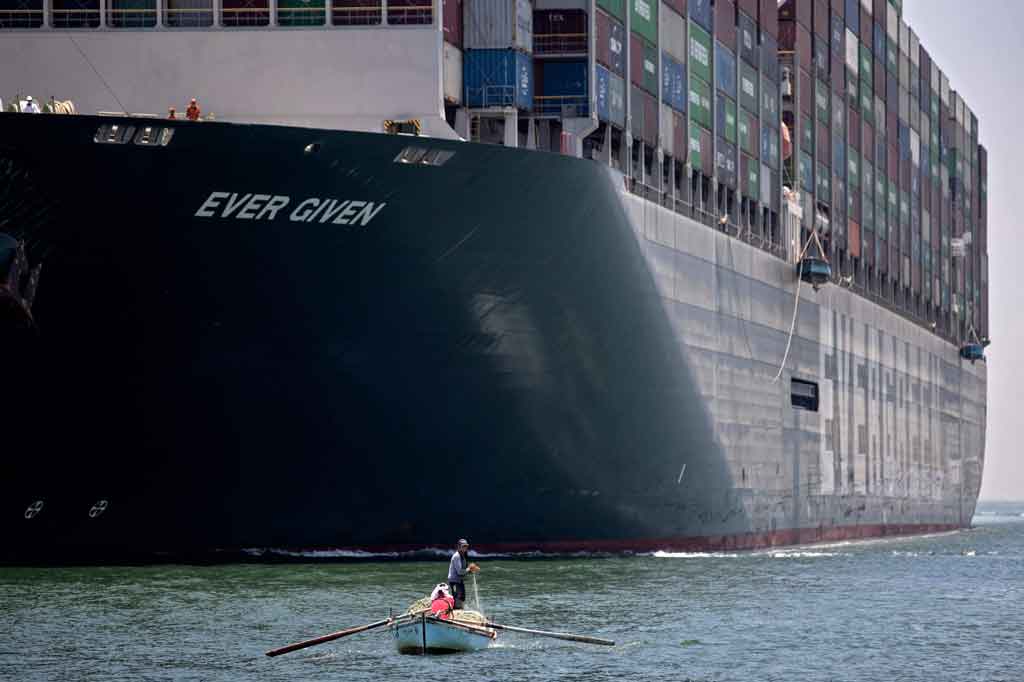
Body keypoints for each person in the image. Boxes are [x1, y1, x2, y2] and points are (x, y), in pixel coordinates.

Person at [447, 538, 479, 609]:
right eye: (463, 546)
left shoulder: (463, 555)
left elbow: (465, 569)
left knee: (462, 597)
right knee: (457, 598)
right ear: (458, 547)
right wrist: (469, 569)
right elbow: (460, 572)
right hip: (454, 581)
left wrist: (471, 570)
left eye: (466, 546)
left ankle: (460, 610)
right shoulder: (456, 556)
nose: (465, 548)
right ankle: (456, 612)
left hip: (459, 580)